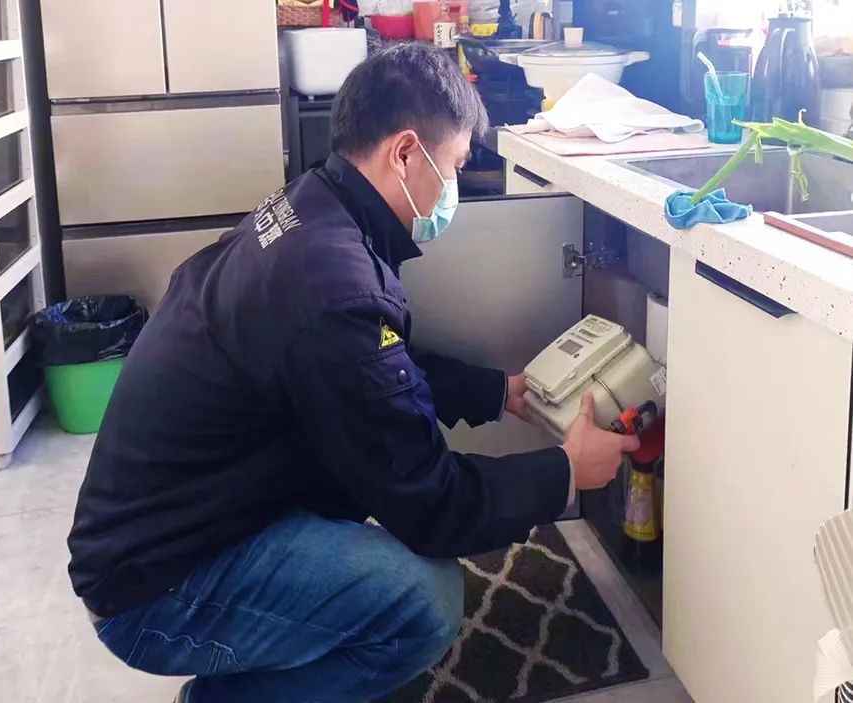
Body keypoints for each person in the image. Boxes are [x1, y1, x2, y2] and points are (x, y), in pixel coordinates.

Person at [67, 43, 638, 703]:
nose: (453, 188)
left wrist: (495, 392)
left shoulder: (313, 209)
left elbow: (368, 367)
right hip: (154, 591)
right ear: (405, 153)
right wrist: (565, 471)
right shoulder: (332, 286)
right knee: (423, 601)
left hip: (162, 532)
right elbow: (432, 505)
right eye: (455, 166)